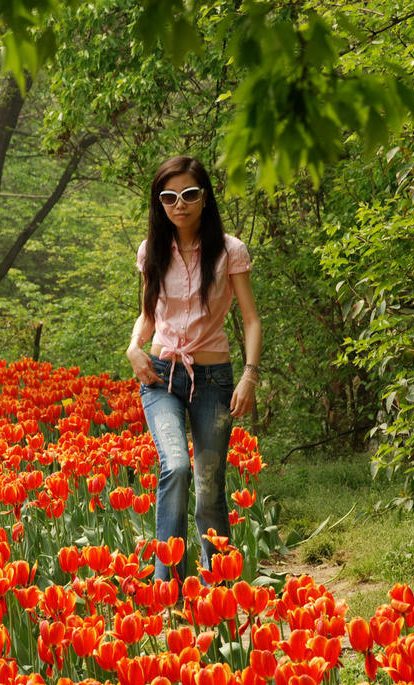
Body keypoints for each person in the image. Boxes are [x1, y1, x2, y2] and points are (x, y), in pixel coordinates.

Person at [126, 156, 261, 581]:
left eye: (188, 194)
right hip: (161, 377)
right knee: (176, 467)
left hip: (213, 379)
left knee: (208, 490)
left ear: (204, 197)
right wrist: (134, 347)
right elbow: (148, 313)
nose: (178, 204)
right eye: (168, 196)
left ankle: (217, 592)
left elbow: (252, 319)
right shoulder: (152, 249)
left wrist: (250, 375)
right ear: (159, 202)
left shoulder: (229, 250)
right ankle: (168, 591)